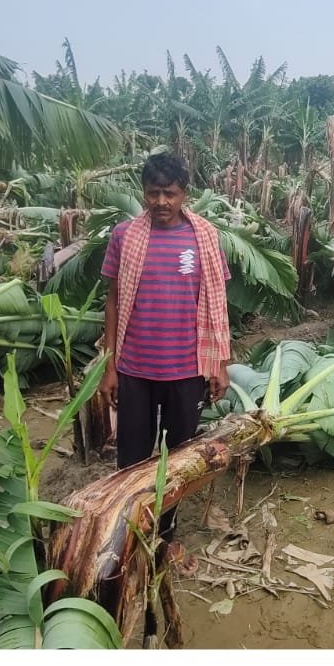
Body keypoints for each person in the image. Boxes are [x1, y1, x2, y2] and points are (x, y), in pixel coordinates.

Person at [99, 152, 233, 541]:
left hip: (187, 369)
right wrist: (110, 367)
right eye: (153, 193)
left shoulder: (204, 237)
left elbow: (217, 301)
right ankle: (129, 535)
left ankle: (165, 534)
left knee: (178, 461)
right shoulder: (125, 236)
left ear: (184, 194)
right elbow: (112, 299)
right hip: (135, 369)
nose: (161, 202)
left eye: (169, 193)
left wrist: (219, 364)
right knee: (132, 460)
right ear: (143, 193)